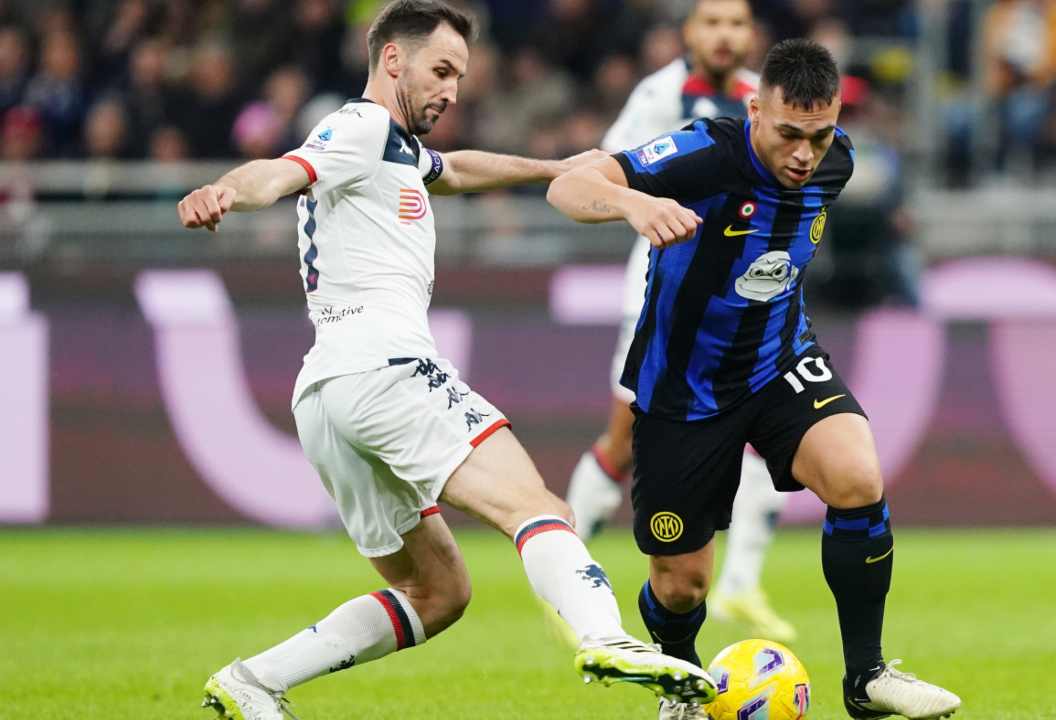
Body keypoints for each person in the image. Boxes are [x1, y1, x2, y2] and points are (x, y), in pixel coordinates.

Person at [176, 3, 714, 718]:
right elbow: (280, 172)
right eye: (440, 71)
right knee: (537, 507)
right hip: (385, 369)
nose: (452, 91)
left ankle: (252, 680)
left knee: (436, 592)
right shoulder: (360, 127)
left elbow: (455, 170)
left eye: (458, 75)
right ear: (392, 59)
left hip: (328, 394)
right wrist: (227, 191)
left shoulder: (395, 149)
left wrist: (553, 167)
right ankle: (605, 637)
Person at [547, 39, 963, 720]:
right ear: (754, 111)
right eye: (789, 134)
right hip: (683, 388)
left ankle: (867, 678)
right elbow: (567, 186)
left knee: (857, 477)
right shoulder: (703, 154)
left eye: (819, 136)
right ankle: (681, 682)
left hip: (778, 363)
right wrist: (631, 205)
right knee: (681, 585)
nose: (805, 154)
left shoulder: (838, 161)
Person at [564, 0, 798, 645]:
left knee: (761, 431)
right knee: (624, 440)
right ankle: (566, 571)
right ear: (689, 32)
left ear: (751, 35)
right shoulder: (659, 96)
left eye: (736, 23)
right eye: (712, 22)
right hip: (662, 290)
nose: (724, 35)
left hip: (741, 295)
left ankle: (740, 585)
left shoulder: (763, 101)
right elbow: (602, 177)